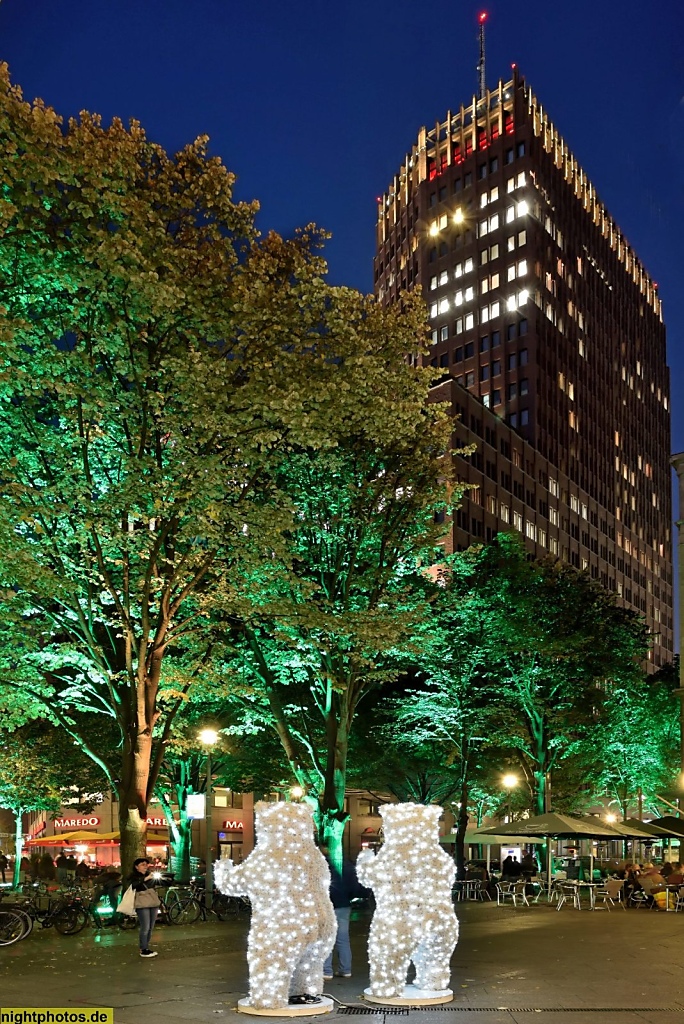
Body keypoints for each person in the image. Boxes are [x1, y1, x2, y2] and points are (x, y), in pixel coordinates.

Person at [320, 845, 358, 980]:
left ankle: (326, 971)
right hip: (343, 905)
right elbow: (355, 885)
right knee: (343, 939)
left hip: (325, 904)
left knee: (326, 938)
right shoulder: (345, 864)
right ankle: (345, 969)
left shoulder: (320, 863)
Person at [127, 858, 161, 958]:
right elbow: (133, 886)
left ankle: (146, 946)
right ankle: (143, 949)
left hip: (152, 902)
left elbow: (157, 885)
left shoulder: (150, 875)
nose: (145, 866)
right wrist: (145, 879)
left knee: (150, 927)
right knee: (145, 927)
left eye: (146, 864)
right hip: (142, 904)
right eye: (142, 864)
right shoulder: (133, 877)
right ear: (136, 867)